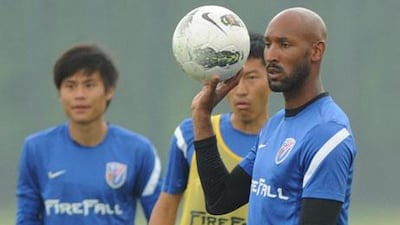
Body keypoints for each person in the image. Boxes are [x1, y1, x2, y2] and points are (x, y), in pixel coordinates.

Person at [191, 7, 357, 225]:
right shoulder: (275, 125)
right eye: (269, 44)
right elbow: (220, 199)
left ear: (316, 51)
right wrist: (202, 115)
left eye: (284, 45)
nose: (271, 56)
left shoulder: (327, 133)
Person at [16, 44, 162, 225]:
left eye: (89, 85)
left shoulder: (139, 151)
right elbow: (27, 218)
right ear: (60, 93)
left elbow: (161, 217)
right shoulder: (36, 149)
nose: (79, 95)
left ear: (109, 91)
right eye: (70, 86)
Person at [149, 32, 271, 225]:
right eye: (234, 79)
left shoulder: (281, 143)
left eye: (252, 77)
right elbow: (167, 206)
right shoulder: (189, 133)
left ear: (271, 79)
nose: (241, 90)